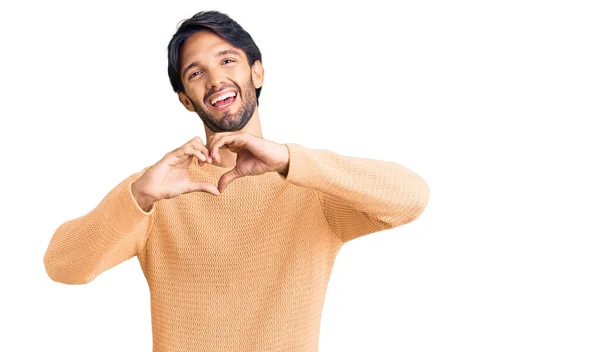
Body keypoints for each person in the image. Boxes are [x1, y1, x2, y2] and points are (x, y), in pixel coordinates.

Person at [43, 10, 430, 352]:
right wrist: (139, 195)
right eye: (195, 73)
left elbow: (411, 197)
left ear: (256, 72)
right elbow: (62, 266)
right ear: (185, 99)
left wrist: (288, 158)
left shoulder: (310, 185)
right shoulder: (159, 190)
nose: (215, 79)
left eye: (227, 60)